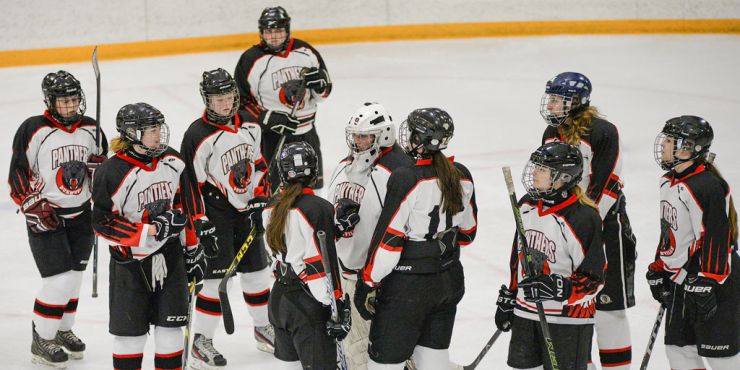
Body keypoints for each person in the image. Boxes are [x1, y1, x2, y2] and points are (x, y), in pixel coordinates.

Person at [354, 108, 477, 370]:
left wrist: (367, 282)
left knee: (384, 364)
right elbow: (467, 233)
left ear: (420, 139)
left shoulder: (407, 177)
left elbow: (388, 243)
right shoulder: (461, 174)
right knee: (433, 362)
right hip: (449, 280)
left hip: (408, 288)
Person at [91, 102, 211, 370]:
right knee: (129, 337)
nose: (158, 134)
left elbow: (185, 207)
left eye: (158, 127)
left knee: (171, 332)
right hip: (129, 264)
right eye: (151, 129)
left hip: (170, 257)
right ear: (133, 133)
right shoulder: (112, 172)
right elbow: (102, 222)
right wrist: (151, 230)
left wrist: (192, 249)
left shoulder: (173, 160)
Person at [9, 70, 107, 367]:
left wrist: (100, 170)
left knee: (74, 279)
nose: (70, 106)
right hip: (46, 215)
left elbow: (103, 172)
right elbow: (17, 173)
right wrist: (30, 203)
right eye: (63, 101)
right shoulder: (33, 129)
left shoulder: (91, 128)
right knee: (59, 281)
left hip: (82, 216)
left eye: (74, 100)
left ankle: (63, 330)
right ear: (50, 102)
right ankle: (42, 337)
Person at [540, 72, 636, 369]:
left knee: (609, 309)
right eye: (551, 99)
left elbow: (606, 186)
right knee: (577, 303)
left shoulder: (603, 132)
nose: (551, 106)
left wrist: (583, 223)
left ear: (577, 102)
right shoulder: (551, 133)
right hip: (568, 230)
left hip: (605, 229)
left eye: (558, 100)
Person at [180, 68, 275, 367]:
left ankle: (264, 329)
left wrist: (261, 195)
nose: (224, 103)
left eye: (228, 96)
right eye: (217, 98)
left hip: (246, 209)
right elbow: (190, 184)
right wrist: (199, 221)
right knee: (215, 281)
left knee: (258, 272)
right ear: (207, 100)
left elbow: (260, 165)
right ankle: (200, 342)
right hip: (216, 211)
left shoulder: (250, 124)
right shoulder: (198, 134)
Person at [495, 142, 607, 370]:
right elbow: (519, 257)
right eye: (535, 166)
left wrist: (562, 289)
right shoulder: (526, 205)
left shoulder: (583, 217)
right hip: (526, 311)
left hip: (567, 319)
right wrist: (512, 295)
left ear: (563, 177)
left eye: (542, 169)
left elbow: (595, 279)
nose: (533, 173)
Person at [325, 102, 413, 369]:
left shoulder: (396, 172)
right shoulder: (345, 166)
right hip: (349, 271)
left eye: (365, 136)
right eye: (355, 135)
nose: (358, 141)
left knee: (367, 345)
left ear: (384, 134)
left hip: (380, 276)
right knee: (360, 343)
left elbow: (401, 226)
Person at [646, 115, 739, 369]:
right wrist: (659, 268)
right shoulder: (668, 181)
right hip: (682, 281)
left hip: (715, 279)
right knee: (679, 351)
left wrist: (708, 280)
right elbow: (671, 233)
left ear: (690, 148)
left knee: (721, 358)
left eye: (670, 140)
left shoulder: (706, 185)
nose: (663, 145)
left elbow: (716, 236)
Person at [263, 141, 351, 369]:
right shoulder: (318, 207)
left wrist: (335, 230)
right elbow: (318, 264)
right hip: (308, 305)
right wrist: (336, 304)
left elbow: (292, 245)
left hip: (279, 300)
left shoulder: (270, 207)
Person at [234, 5, 332, 191]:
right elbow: (240, 102)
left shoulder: (305, 51)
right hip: (272, 137)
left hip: (307, 134)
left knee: (312, 191)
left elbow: (325, 92)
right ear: (261, 33)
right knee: (274, 193)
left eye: (279, 30)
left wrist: (321, 84)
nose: (274, 36)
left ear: (287, 30)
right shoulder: (251, 59)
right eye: (269, 31)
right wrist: (266, 118)